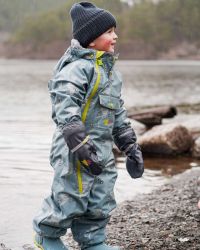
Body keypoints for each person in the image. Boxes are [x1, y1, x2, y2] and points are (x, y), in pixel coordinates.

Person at [33, 2, 144, 250]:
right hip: (74, 150)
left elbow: (118, 112)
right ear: (91, 39)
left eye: (114, 30)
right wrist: (80, 144)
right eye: (108, 31)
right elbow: (65, 105)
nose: (115, 36)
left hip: (102, 149)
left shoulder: (112, 73)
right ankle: (46, 234)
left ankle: (93, 240)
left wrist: (130, 145)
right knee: (70, 194)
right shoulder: (75, 69)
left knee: (101, 196)